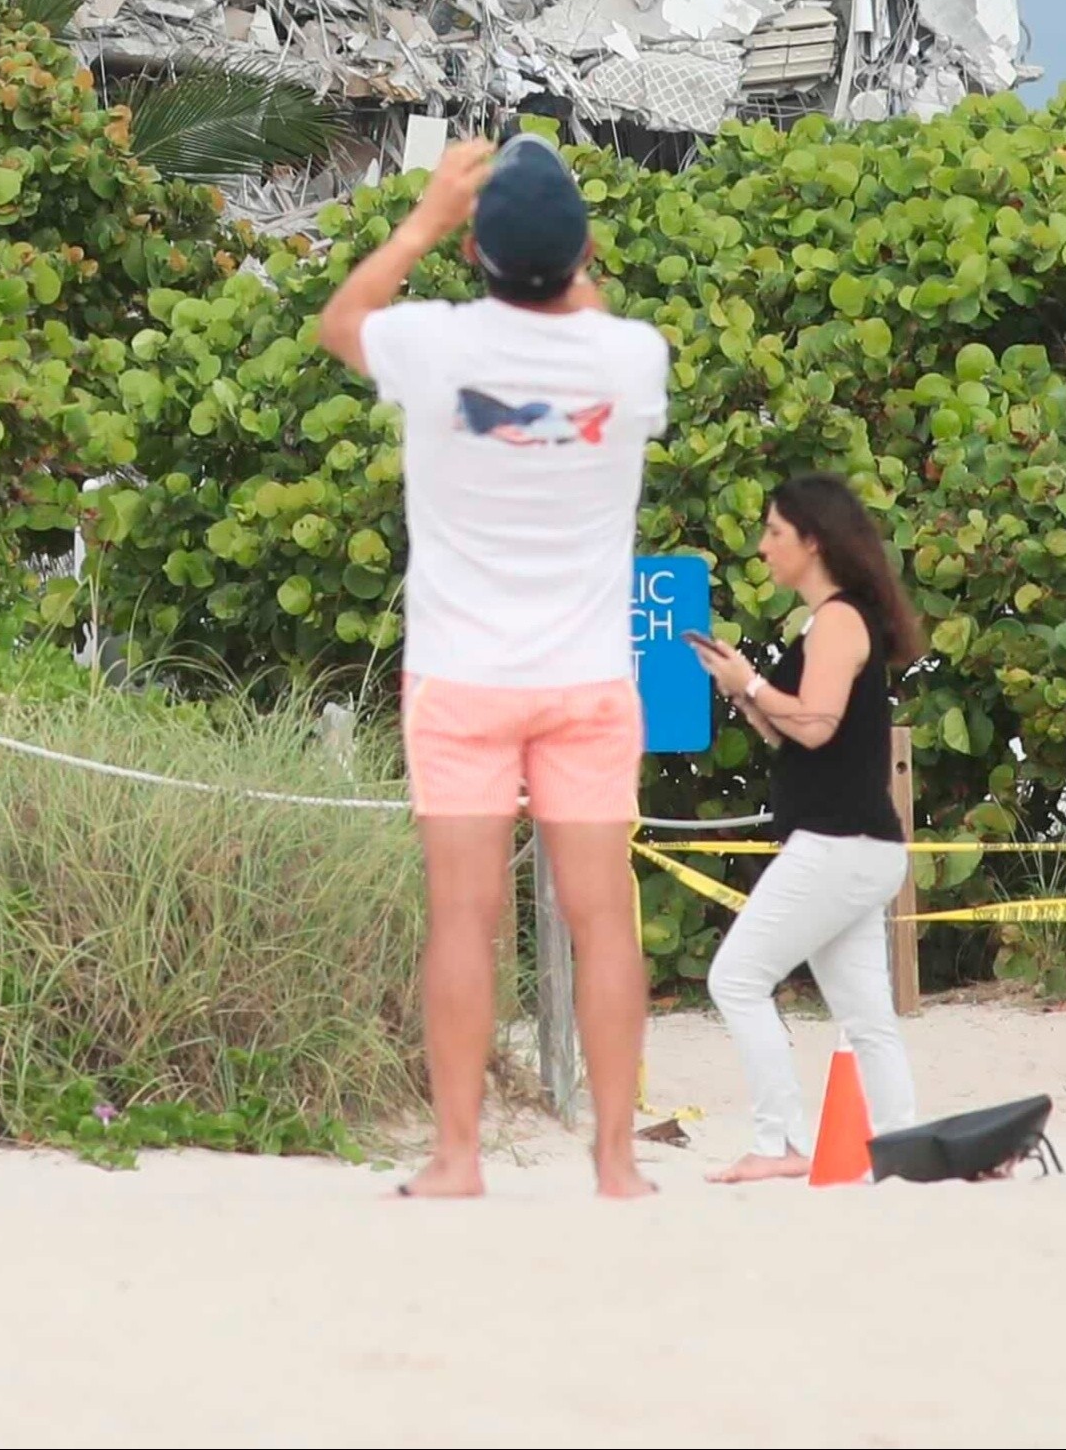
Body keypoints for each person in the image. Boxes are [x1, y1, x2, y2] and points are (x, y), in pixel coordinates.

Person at [314, 131, 668, 1203]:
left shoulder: (432, 344)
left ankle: (456, 1157)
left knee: (461, 917)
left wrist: (422, 220)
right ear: (583, 250)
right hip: (587, 676)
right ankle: (616, 1161)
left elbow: (339, 320)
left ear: (472, 250)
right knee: (601, 912)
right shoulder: (629, 356)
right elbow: (587, 308)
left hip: (462, 675)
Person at [685, 475, 922, 1183]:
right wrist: (745, 690)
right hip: (856, 845)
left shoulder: (841, 619)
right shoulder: (832, 622)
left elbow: (814, 725)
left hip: (838, 844)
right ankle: (901, 1142)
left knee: (735, 978)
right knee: (865, 1013)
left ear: (811, 541)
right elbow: (803, 731)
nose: (762, 547)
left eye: (773, 533)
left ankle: (779, 1140)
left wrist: (754, 686)